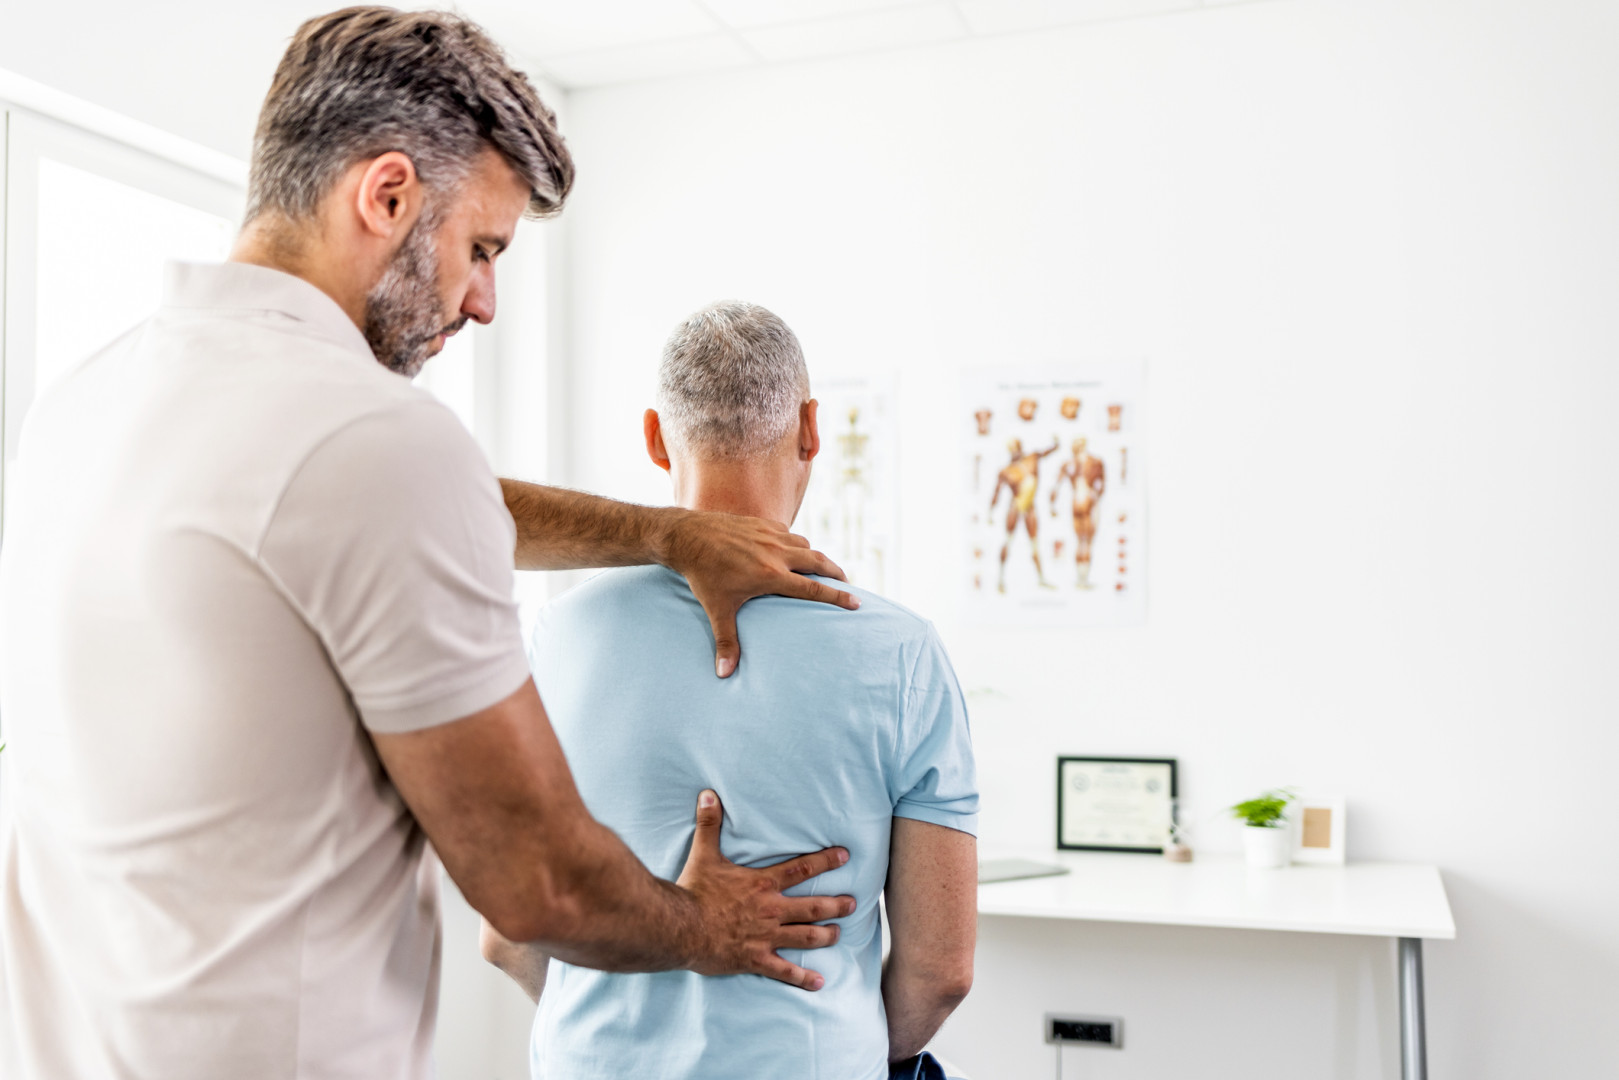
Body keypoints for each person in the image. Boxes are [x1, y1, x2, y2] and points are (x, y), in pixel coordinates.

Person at [0, 11, 858, 1079]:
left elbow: (365, 513)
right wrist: (709, 926)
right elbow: (538, 883)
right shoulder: (377, 444)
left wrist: (668, 533)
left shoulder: (85, 404)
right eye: (481, 248)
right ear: (388, 194)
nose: (484, 301)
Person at [482, 301, 979, 1080]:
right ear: (811, 430)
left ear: (653, 437)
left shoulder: (557, 638)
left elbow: (506, 938)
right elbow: (940, 972)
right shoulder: (901, 652)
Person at [989, 435, 1060, 592]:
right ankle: (1000, 579)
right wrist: (990, 512)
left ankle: (1041, 578)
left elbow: (1045, 452)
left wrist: (1056, 444)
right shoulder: (1006, 471)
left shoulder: (1032, 459)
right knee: (1008, 540)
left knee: (1034, 543)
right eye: (1011, 448)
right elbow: (997, 492)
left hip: (1029, 507)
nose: (1014, 451)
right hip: (1015, 506)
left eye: (1016, 447)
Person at [1050, 436, 1106, 589]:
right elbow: (1101, 485)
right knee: (1086, 542)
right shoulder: (1093, 462)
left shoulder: (1073, 463)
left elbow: (1056, 486)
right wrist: (1094, 496)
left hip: (1077, 499)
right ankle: (1083, 578)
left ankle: (1081, 577)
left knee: (1081, 541)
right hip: (1086, 499)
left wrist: (1052, 505)